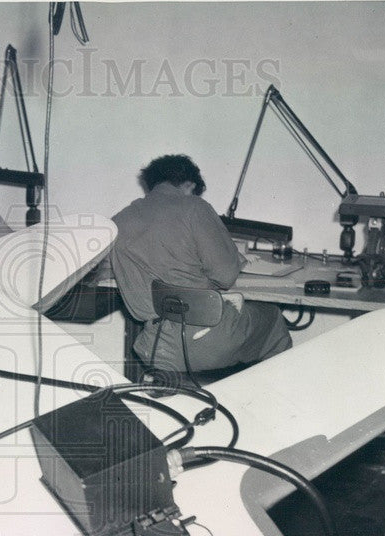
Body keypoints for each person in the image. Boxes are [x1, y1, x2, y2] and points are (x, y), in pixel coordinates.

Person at [108, 154, 291, 373]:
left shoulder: (118, 221)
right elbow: (225, 276)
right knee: (271, 315)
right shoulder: (195, 207)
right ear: (189, 184)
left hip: (157, 345)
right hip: (208, 339)